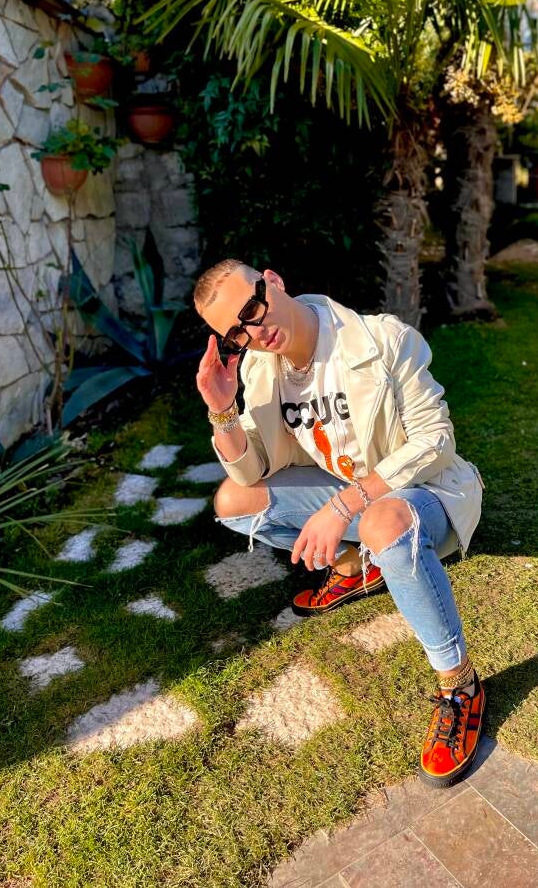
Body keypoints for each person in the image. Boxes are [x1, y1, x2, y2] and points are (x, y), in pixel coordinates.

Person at [194, 260, 486, 786]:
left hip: (427, 493)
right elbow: (252, 469)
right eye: (237, 333)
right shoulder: (262, 371)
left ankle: (459, 684)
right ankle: (356, 566)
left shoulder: (382, 338)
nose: (255, 332)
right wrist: (222, 410)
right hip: (355, 498)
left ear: (274, 281)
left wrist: (342, 507)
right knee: (234, 500)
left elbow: (435, 441)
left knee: (381, 521)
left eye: (253, 308)